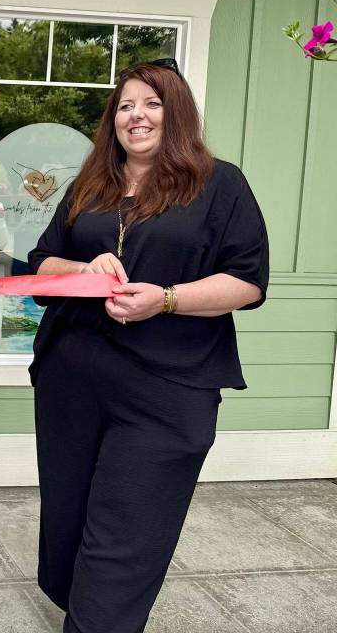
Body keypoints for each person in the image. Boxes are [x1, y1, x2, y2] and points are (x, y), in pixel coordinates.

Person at [28, 60, 269, 632]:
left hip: (166, 390)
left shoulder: (219, 183)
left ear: (176, 111)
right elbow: (39, 267)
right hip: (71, 381)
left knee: (127, 527)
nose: (137, 115)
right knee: (69, 516)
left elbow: (248, 280)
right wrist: (85, 269)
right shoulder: (90, 186)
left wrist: (165, 298)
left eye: (152, 103)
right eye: (126, 105)